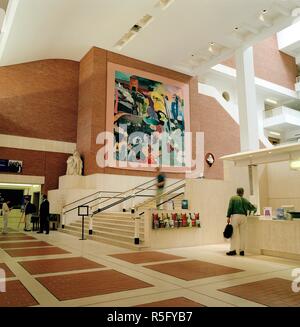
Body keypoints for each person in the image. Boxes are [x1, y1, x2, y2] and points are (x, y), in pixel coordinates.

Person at [226, 187, 257, 256]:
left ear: (237, 192)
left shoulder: (233, 198)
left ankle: (232, 250)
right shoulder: (245, 200)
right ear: (243, 192)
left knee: (233, 234)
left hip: (235, 216)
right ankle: (242, 251)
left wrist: (228, 216)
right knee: (243, 234)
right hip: (243, 217)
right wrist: (255, 210)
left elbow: (230, 207)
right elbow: (253, 208)